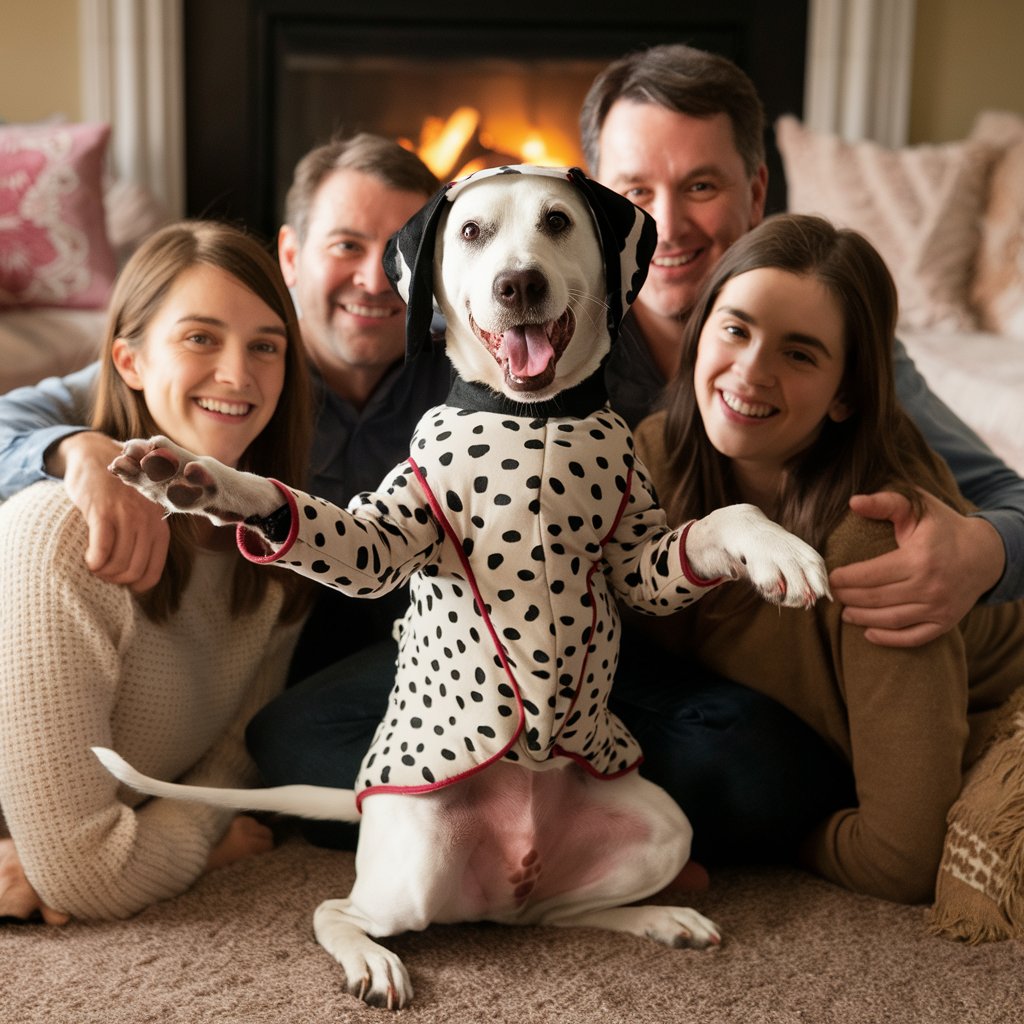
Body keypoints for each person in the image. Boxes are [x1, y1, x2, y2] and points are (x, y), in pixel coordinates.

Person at [630, 212, 1024, 902]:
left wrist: (792, 831)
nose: (751, 370)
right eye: (736, 328)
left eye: (800, 353)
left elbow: (903, 857)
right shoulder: (654, 452)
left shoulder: (874, 539)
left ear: (846, 394)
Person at [0, 134, 447, 680]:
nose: (376, 280)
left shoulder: (471, 372)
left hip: (423, 652)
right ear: (291, 256)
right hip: (266, 653)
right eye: (346, 246)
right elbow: (16, 419)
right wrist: (78, 448)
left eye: (400, 251)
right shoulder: (238, 373)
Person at [0, 220, 315, 923]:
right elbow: (90, 880)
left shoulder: (276, 544)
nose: (238, 375)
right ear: (130, 362)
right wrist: (203, 844)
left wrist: (165, 832)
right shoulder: (58, 532)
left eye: (266, 346)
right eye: (201, 337)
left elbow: (240, 753)